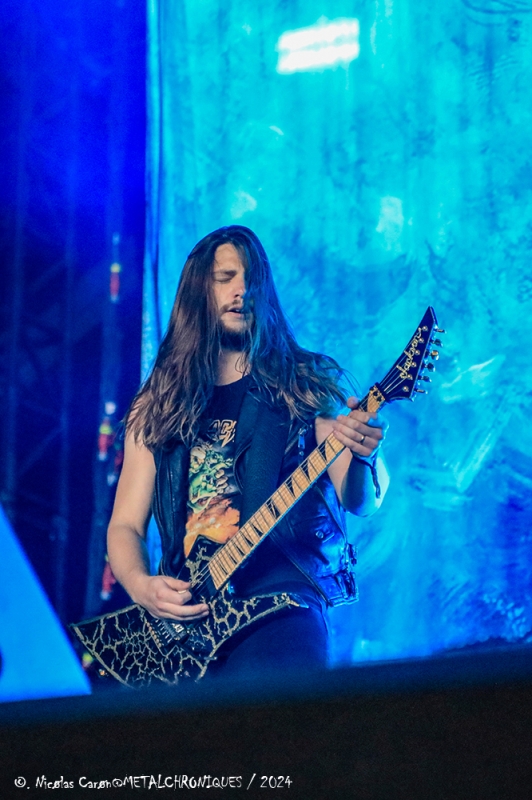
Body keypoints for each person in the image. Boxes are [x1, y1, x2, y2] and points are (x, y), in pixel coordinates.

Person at [107, 225, 389, 679]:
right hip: (191, 627)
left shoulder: (304, 385)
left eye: (252, 279)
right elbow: (124, 526)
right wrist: (142, 586)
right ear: (198, 291)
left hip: (281, 607)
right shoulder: (159, 403)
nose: (242, 290)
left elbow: (359, 500)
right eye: (226, 277)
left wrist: (364, 455)